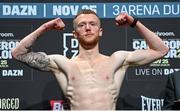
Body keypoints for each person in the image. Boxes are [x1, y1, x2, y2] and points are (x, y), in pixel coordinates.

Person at [11, 9, 169, 110]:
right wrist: (45, 27)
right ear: (74, 34)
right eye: (82, 25)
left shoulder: (117, 60)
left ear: (100, 31)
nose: (87, 28)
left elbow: (161, 50)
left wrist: (134, 22)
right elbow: (18, 54)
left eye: (92, 24)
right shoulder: (63, 64)